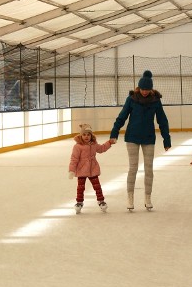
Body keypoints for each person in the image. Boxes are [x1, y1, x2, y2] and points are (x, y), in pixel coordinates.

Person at [110, 70, 171, 211]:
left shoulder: (156, 101)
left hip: (148, 138)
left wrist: (166, 139)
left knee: (149, 170)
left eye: (147, 89)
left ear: (151, 89)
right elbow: (122, 117)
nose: (144, 92)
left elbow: (162, 120)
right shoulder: (131, 99)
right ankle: (130, 198)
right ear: (139, 88)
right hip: (132, 137)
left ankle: (147, 197)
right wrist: (114, 132)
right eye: (143, 89)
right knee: (133, 168)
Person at [68, 123, 113, 214]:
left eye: (88, 134)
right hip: (81, 169)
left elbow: (101, 149)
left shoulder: (93, 145)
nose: (86, 136)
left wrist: (109, 143)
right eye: (84, 134)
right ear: (81, 135)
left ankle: (101, 201)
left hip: (93, 169)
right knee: (80, 187)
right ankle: (79, 202)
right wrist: (71, 170)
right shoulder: (77, 146)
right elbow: (74, 159)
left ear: (91, 135)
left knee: (97, 186)